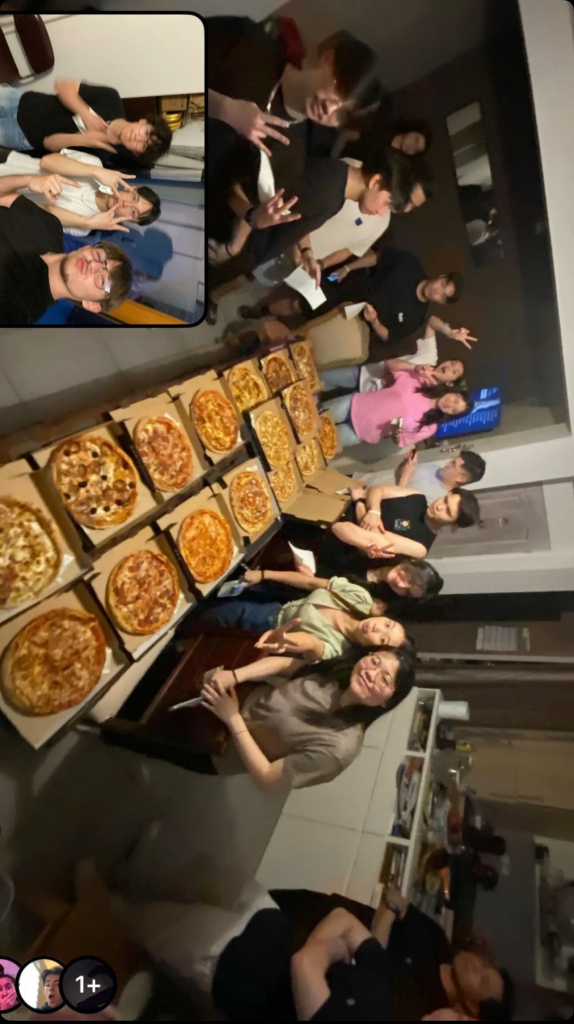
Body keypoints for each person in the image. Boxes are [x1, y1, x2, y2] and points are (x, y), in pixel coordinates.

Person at [208, 16, 378, 249]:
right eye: (339, 89)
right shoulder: (249, 44)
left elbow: (225, 187)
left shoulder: (290, 157)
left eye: (342, 115)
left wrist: (253, 217)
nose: (330, 109)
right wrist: (222, 107)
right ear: (328, 59)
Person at [209, 147, 427, 312]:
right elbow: (248, 190)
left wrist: (307, 253)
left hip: (248, 253)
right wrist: (235, 244)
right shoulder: (324, 185)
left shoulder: (337, 195)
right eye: (387, 203)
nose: (381, 212)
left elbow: (297, 219)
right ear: (376, 181)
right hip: (226, 239)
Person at [271, 886, 515, 1022]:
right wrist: (382, 923)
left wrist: (384, 921)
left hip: (306, 975)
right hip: (328, 916)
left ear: (473, 1009)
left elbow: (369, 974)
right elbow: (394, 899)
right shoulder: (438, 939)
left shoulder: (428, 1010)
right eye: (485, 965)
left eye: (482, 980)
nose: (476, 965)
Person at [198, 646, 415, 790]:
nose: (371, 673)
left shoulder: (340, 748)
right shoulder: (338, 674)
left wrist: (233, 719)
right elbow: (285, 666)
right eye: (375, 661)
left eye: (384, 679)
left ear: (387, 702)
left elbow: (268, 778)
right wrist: (235, 676)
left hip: (219, 744)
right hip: (234, 695)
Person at [246, 246, 464, 351]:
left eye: (442, 296)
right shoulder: (411, 264)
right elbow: (378, 257)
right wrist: (348, 268)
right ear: (441, 277)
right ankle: (263, 311)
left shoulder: (417, 317)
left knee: (306, 333)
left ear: (441, 302)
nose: (437, 291)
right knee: (300, 304)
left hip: (354, 321)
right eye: (442, 285)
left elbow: (388, 336)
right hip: (350, 285)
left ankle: (264, 344)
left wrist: (374, 321)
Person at [0, 177, 132, 324]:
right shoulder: (50, 225)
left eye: (102, 280)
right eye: (99, 256)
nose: (94, 264)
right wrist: (26, 180)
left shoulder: (18, 310)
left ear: (91, 304)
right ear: (87, 247)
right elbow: (4, 196)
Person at [196, 573, 410, 661]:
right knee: (212, 582)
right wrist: (264, 574)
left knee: (205, 612)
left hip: (266, 622)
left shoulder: (337, 649)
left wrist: (287, 640)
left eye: (383, 638)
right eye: (387, 624)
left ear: (371, 649)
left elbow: (311, 644)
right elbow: (310, 582)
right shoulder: (361, 599)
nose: (378, 628)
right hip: (279, 597)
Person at [0, 80, 171, 167]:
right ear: (143, 121)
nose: (138, 138)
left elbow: (48, 143)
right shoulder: (111, 99)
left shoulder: (100, 156)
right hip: (21, 100)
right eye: (146, 132)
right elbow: (63, 84)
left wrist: (83, 140)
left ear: (136, 152)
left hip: (22, 136)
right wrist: (84, 113)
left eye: (144, 145)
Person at [0, 149, 160, 235]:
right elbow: (47, 162)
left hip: (5, 204)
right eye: (133, 198)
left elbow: (40, 212)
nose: (126, 204)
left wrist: (86, 222)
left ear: (129, 221)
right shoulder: (95, 165)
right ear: (131, 188)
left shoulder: (84, 227)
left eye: (133, 212)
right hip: (8, 164)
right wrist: (94, 171)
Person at [239, 557, 444, 620]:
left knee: (238, 593)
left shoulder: (374, 602)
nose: (401, 584)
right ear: (411, 563)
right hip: (296, 564)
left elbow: (315, 586)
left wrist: (311, 577)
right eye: (410, 577)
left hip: (291, 598)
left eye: (407, 591)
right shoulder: (380, 553)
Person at [322, 365, 474, 450]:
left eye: (454, 410)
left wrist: (396, 434)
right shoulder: (423, 382)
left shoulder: (430, 428)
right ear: (453, 392)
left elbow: (401, 441)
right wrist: (416, 368)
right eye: (455, 400)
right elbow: (392, 366)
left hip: (359, 432)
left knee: (319, 443)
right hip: (354, 404)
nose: (450, 405)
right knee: (314, 416)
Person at [332, 484, 481, 560]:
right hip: (338, 504)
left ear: (454, 524)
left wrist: (359, 502)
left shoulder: (420, 546)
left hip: (337, 540)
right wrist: (374, 511)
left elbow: (369, 537)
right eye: (445, 500)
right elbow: (377, 490)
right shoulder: (417, 496)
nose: (439, 506)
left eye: (447, 511)